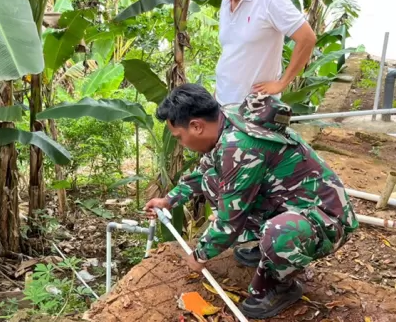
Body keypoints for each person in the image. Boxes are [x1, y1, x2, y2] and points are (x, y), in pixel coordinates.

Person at [144, 84, 358, 319]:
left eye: (179, 137)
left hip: (326, 219)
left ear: (196, 126)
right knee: (212, 180)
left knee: (278, 233)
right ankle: (267, 250)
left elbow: (229, 221)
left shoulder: (241, 147)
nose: (181, 144)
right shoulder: (227, 119)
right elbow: (204, 172)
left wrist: (200, 255)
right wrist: (168, 200)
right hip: (290, 202)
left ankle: (282, 286)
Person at [209, 0, 318, 106]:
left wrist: (282, 83)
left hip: (255, 106)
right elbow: (233, 51)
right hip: (223, 102)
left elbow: (307, 38)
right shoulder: (226, 2)